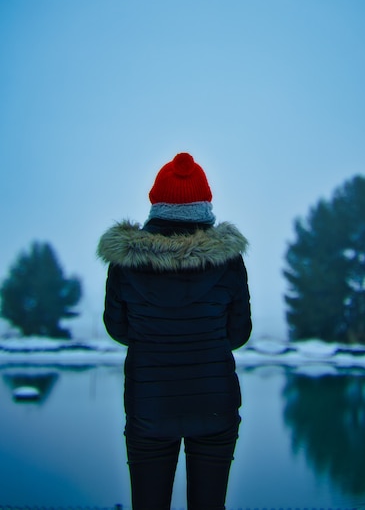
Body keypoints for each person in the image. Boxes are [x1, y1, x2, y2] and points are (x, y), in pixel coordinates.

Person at [97, 152, 252, 510]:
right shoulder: (229, 260)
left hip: (149, 405)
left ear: (156, 202)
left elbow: (117, 328)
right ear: (205, 204)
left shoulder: (126, 260)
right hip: (216, 405)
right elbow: (239, 333)